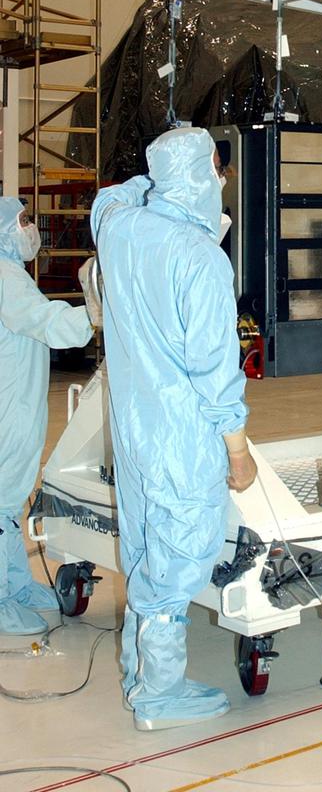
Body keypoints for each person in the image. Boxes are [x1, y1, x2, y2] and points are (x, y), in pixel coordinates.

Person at [91, 127, 255, 731]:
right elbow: (216, 370)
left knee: (143, 549)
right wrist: (237, 450)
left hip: (134, 429)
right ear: (201, 175)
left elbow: (109, 198)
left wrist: (155, 179)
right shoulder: (201, 259)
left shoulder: (121, 230)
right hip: (182, 434)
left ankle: (140, 675)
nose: (222, 179)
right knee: (180, 553)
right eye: (216, 168)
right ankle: (159, 694)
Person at [0, 197, 93, 636]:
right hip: (7, 408)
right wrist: (94, 315)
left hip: (18, 402)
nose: (30, 227)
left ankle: (15, 586)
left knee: (10, 502)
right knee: (1, 502)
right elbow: (44, 321)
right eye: (22, 221)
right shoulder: (3, 277)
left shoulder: (11, 273)